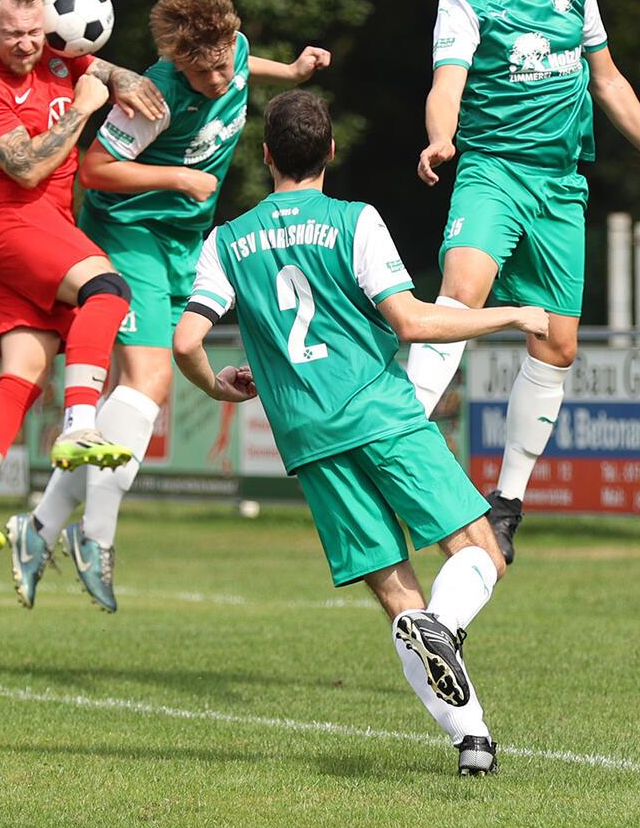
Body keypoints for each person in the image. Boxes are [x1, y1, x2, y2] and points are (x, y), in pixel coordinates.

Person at [173, 91, 549, 774]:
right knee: (480, 548)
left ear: (266, 156)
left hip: (307, 436)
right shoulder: (354, 221)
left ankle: (473, 741)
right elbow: (413, 323)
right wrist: (512, 316)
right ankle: (450, 626)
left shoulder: (226, 241)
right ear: (331, 154)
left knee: (394, 591)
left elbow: (185, 340)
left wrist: (213, 382)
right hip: (380, 412)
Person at [407, 0, 640, 563]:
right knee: (459, 294)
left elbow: (606, 78)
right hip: (491, 170)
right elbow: (447, 81)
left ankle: (507, 502)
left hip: (559, 187)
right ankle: (394, 436)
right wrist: (440, 138)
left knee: (557, 344)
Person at [8, 0, 331, 612]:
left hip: (183, 241)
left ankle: (41, 527)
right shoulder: (153, 94)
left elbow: (243, 62)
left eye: (223, 66)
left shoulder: (233, 53)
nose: (219, 79)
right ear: (178, 63)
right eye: (203, 71)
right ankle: (94, 536)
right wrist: (177, 176)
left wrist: (287, 71)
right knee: (150, 381)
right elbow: (96, 167)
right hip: (129, 236)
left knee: (145, 393)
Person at [0, 0, 170, 553]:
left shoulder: (54, 57)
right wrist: (86, 106)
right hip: (12, 223)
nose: (28, 45)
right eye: (13, 34)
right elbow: (29, 166)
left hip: (43, 226)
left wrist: (122, 77)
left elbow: (96, 66)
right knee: (108, 290)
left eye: (36, 32)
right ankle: (79, 426)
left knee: (21, 377)